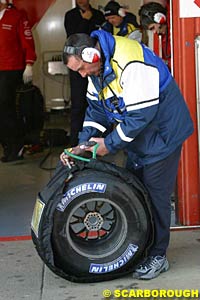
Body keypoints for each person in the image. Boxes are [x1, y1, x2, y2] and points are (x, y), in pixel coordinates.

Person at [60, 30, 194, 279]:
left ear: (92, 54)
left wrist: (107, 145)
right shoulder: (96, 68)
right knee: (134, 192)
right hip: (138, 137)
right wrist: (84, 144)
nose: (81, 74)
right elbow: (96, 111)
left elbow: (140, 116)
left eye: (81, 68)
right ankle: (140, 248)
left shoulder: (131, 62)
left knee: (155, 196)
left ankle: (157, 256)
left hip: (162, 135)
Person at [64, 0, 105, 147]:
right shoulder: (71, 15)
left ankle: (102, 141)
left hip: (96, 64)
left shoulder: (99, 15)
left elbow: (103, 37)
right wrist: (84, 20)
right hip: (78, 65)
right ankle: (75, 141)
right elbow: (72, 38)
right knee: (78, 104)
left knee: (101, 102)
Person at [0, 0, 36, 162]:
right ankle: (7, 147)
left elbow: (27, 41)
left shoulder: (17, 16)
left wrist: (29, 64)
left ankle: (16, 146)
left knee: (5, 107)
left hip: (11, 68)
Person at [139, 1, 171, 69]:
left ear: (160, 18)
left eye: (153, 28)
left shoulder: (175, 29)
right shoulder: (164, 37)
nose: (154, 32)